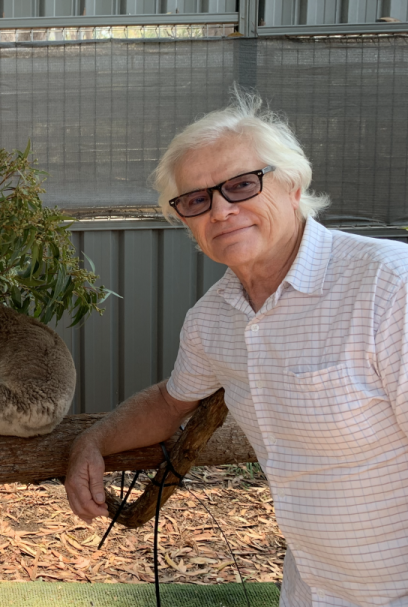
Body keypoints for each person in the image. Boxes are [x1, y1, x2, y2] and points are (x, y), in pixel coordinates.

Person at [65, 91, 408, 607]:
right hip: (312, 586)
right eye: (197, 199)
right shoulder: (214, 319)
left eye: (243, 185)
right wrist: (91, 442)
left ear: (292, 185)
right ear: (185, 220)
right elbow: (169, 403)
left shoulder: (387, 284)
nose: (222, 210)